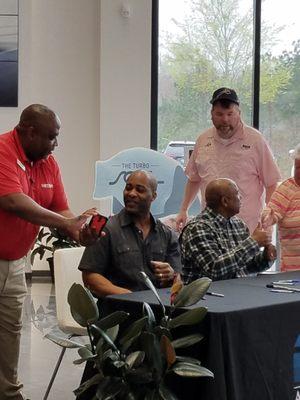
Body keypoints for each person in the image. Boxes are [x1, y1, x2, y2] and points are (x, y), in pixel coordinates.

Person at [0, 104, 96, 400]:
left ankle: (8, 393)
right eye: (52, 137)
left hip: (15, 261)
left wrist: (79, 227)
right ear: (29, 132)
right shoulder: (3, 151)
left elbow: (60, 208)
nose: (56, 144)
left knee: (9, 331)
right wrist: (66, 222)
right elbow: (13, 202)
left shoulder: (48, 162)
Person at [176, 87, 281, 233]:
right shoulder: (203, 140)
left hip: (247, 228)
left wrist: (269, 214)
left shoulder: (256, 140)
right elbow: (194, 179)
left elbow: (271, 183)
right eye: (219, 114)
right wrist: (183, 210)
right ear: (212, 114)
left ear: (239, 113)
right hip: (210, 229)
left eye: (230, 114)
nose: (225, 120)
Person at [79, 170, 182, 297]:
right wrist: (129, 296)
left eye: (140, 190)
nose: (132, 193)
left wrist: (171, 275)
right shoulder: (106, 230)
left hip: (158, 310)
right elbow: (90, 277)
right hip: (119, 311)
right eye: (128, 188)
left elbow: (178, 281)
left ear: (153, 196)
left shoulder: (167, 234)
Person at [180, 178, 276, 283]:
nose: (241, 197)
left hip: (238, 291)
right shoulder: (197, 228)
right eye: (237, 194)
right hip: (208, 296)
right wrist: (253, 242)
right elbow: (214, 271)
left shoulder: (238, 224)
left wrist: (265, 257)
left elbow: (246, 267)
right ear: (225, 201)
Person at [262, 144, 300, 271]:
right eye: (297, 167)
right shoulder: (286, 188)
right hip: (292, 270)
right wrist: (268, 218)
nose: (299, 173)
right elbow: (272, 211)